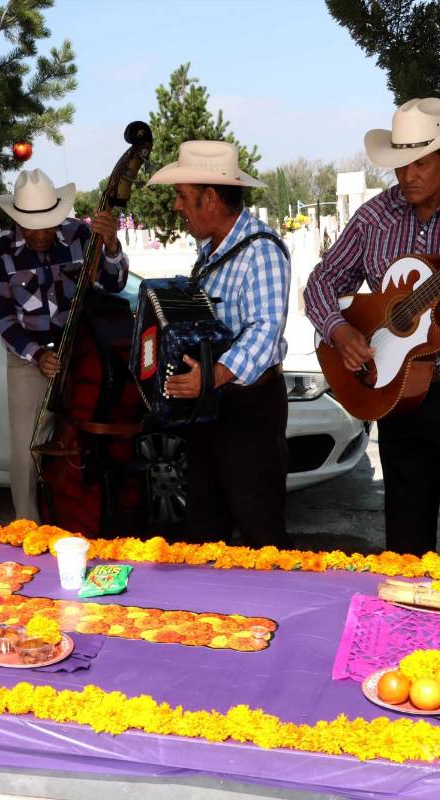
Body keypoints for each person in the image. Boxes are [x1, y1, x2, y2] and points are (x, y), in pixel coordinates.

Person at [303, 97, 440, 560]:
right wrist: (340, 332)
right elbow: (321, 282)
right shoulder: (375, 217)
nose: (407, 176)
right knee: (405, 534)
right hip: (396, 392)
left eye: (420, 163)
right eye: (400, 165)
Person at [145, 140, 291, 548]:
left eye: (182, 195)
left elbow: (265, 329)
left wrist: (212, 375)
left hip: (249, 411)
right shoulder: (210, 251)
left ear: (209, 198)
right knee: (204, 528)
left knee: (260, 532)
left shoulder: (261, 250)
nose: (177, 205)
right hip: (211, 407)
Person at [0, 168, 127, 523]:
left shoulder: (80, 234)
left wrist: (111, 247)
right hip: (27, 357)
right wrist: (38, 355)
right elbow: (2, 318)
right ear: (18, 220)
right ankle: (28, 528)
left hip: (82, 353)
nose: (42, 233)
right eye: (33, 227)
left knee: (87, 439)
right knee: (27, 450)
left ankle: (83, 520)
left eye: (48, 224)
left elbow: (114, 284)